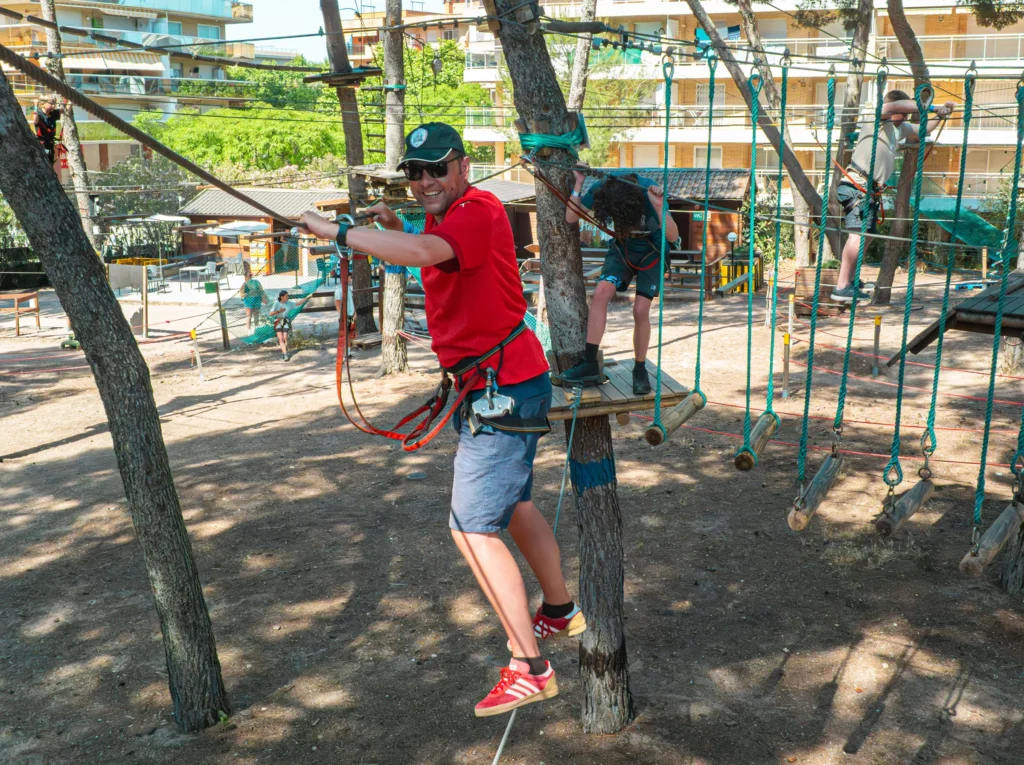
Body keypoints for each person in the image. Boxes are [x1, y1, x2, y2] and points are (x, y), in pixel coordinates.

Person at [299, 122, 584, 718]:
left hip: (500, 388)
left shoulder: (477, 210)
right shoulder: (443, 219)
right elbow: (432, 259)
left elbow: (431, 256)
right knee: (514, 505)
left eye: (437, 168)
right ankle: (559, 611)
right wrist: (397, 229)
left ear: (464, 166)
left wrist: (342, 232)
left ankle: (530, 668)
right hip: (499, 381)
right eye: (415, 172)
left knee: (471, 527)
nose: (425, 180)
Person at [560, 168, 679, 394]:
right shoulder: (603, 190)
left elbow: (673, 236)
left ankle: (640, 369)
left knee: (640, 310)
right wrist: (578, 184)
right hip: (623, 248)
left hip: (652, 251)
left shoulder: (649, 192)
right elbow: (570, 217)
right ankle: (590, 362)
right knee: (601, 293)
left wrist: (658, 205)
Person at [832, 91, 956, 303]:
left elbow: (922, 130)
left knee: (867, 236)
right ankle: (842, 286)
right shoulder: (878, 120)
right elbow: (894, 107)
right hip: (856, 186)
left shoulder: (899, 129)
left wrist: (940, 116)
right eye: (903, 113)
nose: (906, 118)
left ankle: (851, 280)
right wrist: (932, 107)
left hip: (867, 190)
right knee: (858, 236)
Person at [33, 98, 62, 167]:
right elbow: (35, 121)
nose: (54, 106)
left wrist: (68, 100)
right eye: (51, 104)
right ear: (43, 104)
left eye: (54, 104)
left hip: (50, 144)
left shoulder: (53, 113)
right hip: (42, 144)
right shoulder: (39, 113)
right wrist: (35, 106)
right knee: (43, 164)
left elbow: (64, 110)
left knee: (50, 164)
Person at [240, 261, 267, 330]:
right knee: (249, 316)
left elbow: (261, 291)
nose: (251, 274)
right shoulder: (244, 285)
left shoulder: (256, 282)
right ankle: (248, 329)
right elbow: (241, 295)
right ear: (245, 276)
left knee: (256, 315)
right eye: (249, 274)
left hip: (257, 300)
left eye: (251, 273)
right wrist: (247, 294)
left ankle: (256, 328)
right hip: (248, 302)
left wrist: (264, 298)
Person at [268, 289, 293, 361]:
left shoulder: (288, 303)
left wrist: (307, 298)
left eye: (288, 296)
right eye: (286, 296)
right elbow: (270, 313)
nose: (288, 297)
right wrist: (279, 311)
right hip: (278, 321)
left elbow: (297, 304)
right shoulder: (276, 303)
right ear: (282, 297)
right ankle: (285, 355)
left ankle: (283, 353)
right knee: (281, 339)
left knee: (285, 338)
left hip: (285, 321)